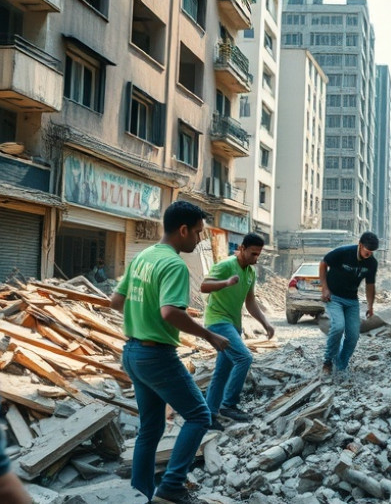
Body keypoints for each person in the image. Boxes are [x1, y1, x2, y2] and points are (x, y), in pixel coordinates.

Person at [110, 201, 230, 504]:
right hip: (157, 357)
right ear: (183, 229)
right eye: (199, 233)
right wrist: (209, 335)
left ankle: (140, 494)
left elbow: (116, 300)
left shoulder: (143, 257)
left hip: (133, 353)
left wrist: (142, 316)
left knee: (151, 428)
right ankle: (171, 488)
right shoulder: (174, 264)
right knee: (200, 415)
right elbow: (170, 313)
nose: (200, 239)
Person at [201, 233, 274, 428]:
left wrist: (266, 323)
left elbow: (250, 303)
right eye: (253, 254)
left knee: (222, 371)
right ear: (241, 248)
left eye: (258, 255)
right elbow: (204, 286)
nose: (255, 259)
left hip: (233, 324)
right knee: (244, 358)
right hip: (217, 322)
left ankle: (209, 416)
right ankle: (229, 405)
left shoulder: (250, 273)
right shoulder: (226, 266)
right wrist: (224, 283)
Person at [319, 231, 379, 378]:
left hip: (352, 300)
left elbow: (370, 285)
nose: (369, 254)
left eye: (372, 252)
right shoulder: (344, 252)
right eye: (367, 250)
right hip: (334, 297)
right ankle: (327, 362)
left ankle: (341, 365)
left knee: (353, 335)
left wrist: (370, 306)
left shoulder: (372, 263)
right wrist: (325, 288)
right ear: (360, 245)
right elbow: (323, 263)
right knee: (338, 326)